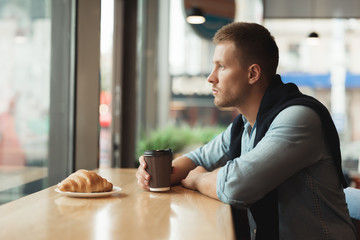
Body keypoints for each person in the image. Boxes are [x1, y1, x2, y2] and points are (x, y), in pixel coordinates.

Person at [136, 22, 356, 240]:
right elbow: (198, 157)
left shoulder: (298, 119)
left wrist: (196, 179)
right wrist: (154, 173)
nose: (210, 77)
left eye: (221, 66)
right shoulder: (244, 125)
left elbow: (236, 186)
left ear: (253, 74)